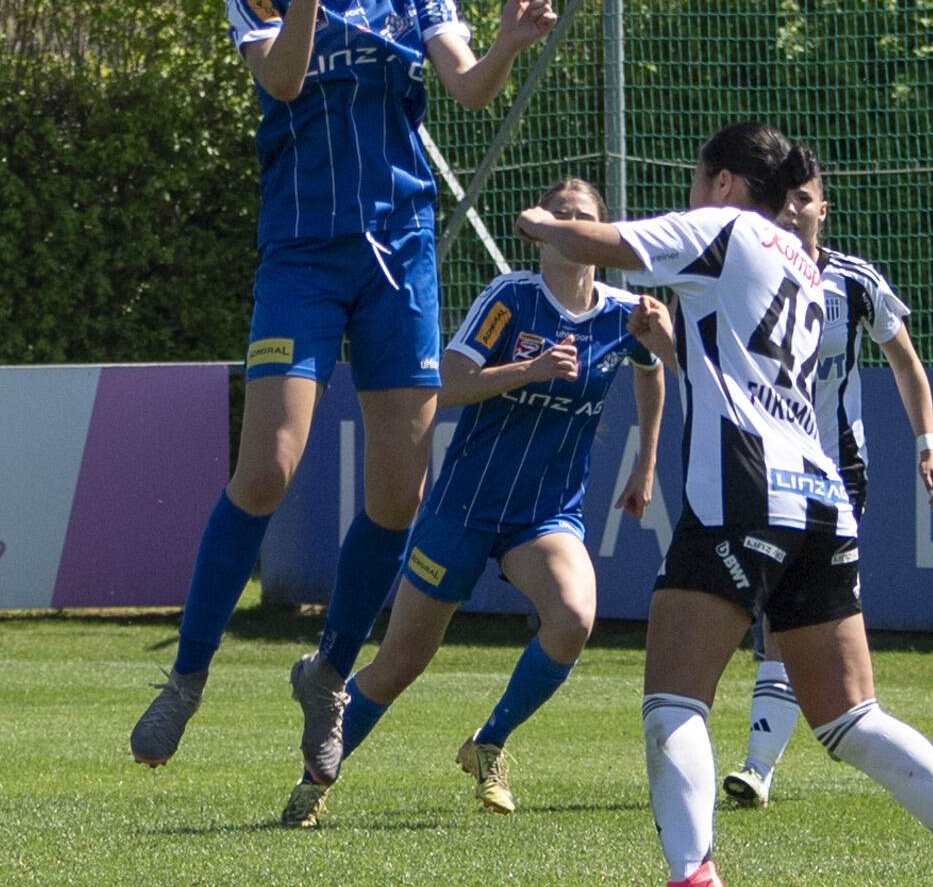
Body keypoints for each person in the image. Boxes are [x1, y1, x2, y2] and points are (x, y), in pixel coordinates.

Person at [513, 122, 933, 887]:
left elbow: (600, 243)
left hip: (741, 492)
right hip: (819, 497)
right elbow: (733, 368)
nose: (692, 192)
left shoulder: (722, 228)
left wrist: (544, 223)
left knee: (673, 700)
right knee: (852, 719)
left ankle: (691, 878)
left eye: (699, 177)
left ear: (725, 182)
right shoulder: (799, 259)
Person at [129, 0, 556, 787]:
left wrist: (508, 44)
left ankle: (327, 674)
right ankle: (188, 676)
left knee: (399, 496)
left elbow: (467, 88)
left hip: (401, 258)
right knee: (267, 469)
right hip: (303, 256)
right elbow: (281, 81)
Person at [280, 176, 670, 826]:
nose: (570, 223)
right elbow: (449, 384)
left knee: (574, 618)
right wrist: (530, 370)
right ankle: (313, 783)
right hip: (462, 508)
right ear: (539, 229)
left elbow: (653, 370)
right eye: (559, 212)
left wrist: (646, 461)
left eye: (583, 216)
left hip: (544, 516)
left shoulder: (623, 313)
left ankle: (490, 740)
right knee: (400, 663)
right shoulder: (512, 298)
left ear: (601, 235)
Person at [723, 162, 933, 809]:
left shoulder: (855, 282)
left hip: (834, 473)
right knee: (778, 618)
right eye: (783, 198)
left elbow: (905, 363)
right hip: (764, 466)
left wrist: (928, 447)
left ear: (823, 209)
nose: (793, 209)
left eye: (805, 199)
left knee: (783, 616)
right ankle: (760, 760)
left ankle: (758, 767)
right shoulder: (746, 273)